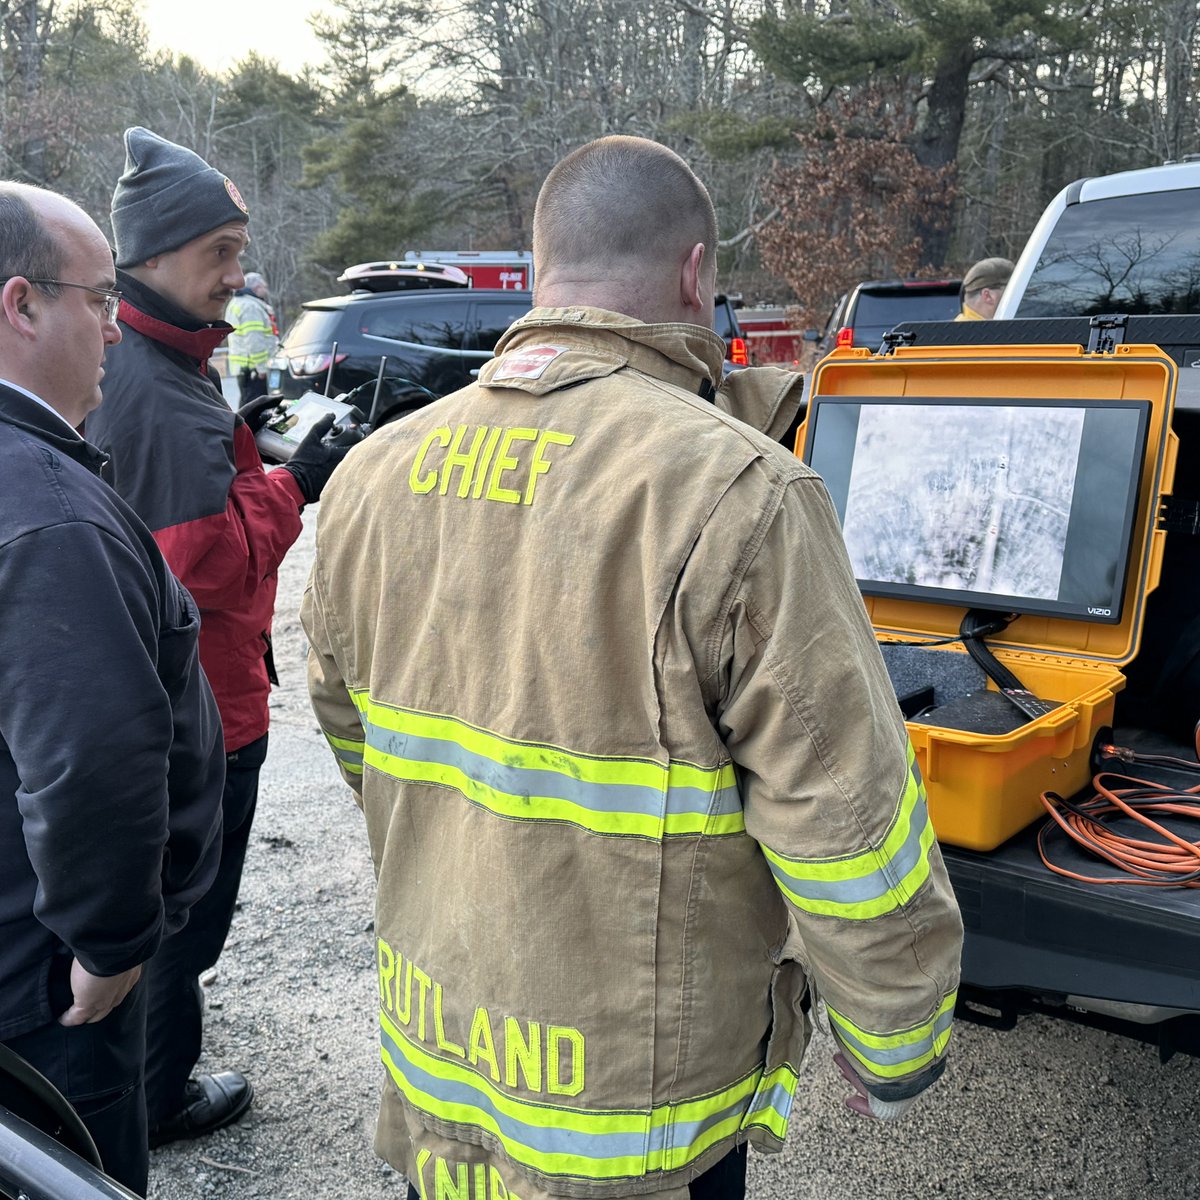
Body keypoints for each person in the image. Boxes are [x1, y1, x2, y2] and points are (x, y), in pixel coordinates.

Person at [302, 135, 963, 1200]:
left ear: (539, 268)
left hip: (441, 1053)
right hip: (634, 1107)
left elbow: (358, 738)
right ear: (698, 273)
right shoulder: (740, 492)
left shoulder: (372, 476)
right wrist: (898, 1042)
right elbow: (842, 816)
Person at [85, 126, 354, 1149]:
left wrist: (254, 437)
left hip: (200, 691)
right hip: (203, 705)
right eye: (222, 253)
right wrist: (301, 480)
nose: (238, 274)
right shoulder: (156, 391)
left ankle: (150, 1060)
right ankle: (161, 1096)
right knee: (182, 919)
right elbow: (211, 567)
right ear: (152, 256)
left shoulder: (160, 363)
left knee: (169, 908)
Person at [0, 182, 225, 1194]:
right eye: (98, 301)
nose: (115, 332)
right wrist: (109, 944)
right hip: (46, 989)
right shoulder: (53, 517)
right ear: (22, 305)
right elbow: (91, 756)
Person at [226, 270, 276, 406]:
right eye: (264, 287)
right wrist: (262, 369)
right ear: (257, 288)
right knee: (255, 408)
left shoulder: (238, 303)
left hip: (244, 368)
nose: (266, 290)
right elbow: (254, 341)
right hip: (253, 369)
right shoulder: (250, 308)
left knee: (247, 405)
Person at [956, 256, 1013, 320]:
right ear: (987, 296)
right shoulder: (978, 329)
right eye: (1011, 292)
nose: (1015, 298)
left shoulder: (959, 327)